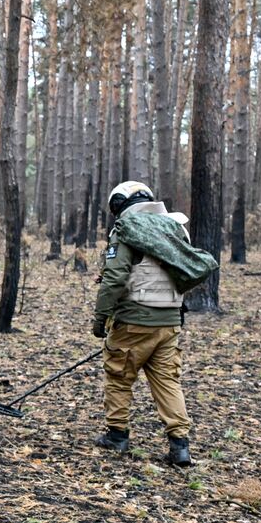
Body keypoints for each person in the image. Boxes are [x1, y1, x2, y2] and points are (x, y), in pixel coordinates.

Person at [92, 181, 193, 467]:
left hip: (133, 320)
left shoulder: (126, 230)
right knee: (167, 381)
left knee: (119, 376)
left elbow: (115, 278)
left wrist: (100, 318)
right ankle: (180, 446)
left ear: (119, 205)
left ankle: (117, 436)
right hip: (170, 321)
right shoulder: (176, 227)